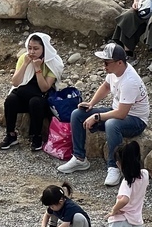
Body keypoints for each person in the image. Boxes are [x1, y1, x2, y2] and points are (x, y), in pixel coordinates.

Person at [58, 42, 149, 187]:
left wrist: (96, 117)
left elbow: (121, 114)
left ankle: (114, 166)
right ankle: (79, 158)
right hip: (117, 111)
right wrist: (91, 104)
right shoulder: (115, 72)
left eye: (107, 62)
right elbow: (106, 86)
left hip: (136, 120)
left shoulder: (130, 81)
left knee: (111, 124)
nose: (103, 66)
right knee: (77, 114)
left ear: (119, 63)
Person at [0, 32, 62, 152]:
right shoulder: (24, 57)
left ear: (44, 49)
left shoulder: (54, 63)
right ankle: (11, 134)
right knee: (11, 100)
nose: (32, 52)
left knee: (35, 102)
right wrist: (25, 64)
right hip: (25, 93)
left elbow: (45, 88)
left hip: (42, 97)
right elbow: (15, 82)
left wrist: (37, 68)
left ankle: (36, 136)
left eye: (36, 49)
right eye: (30, 48)